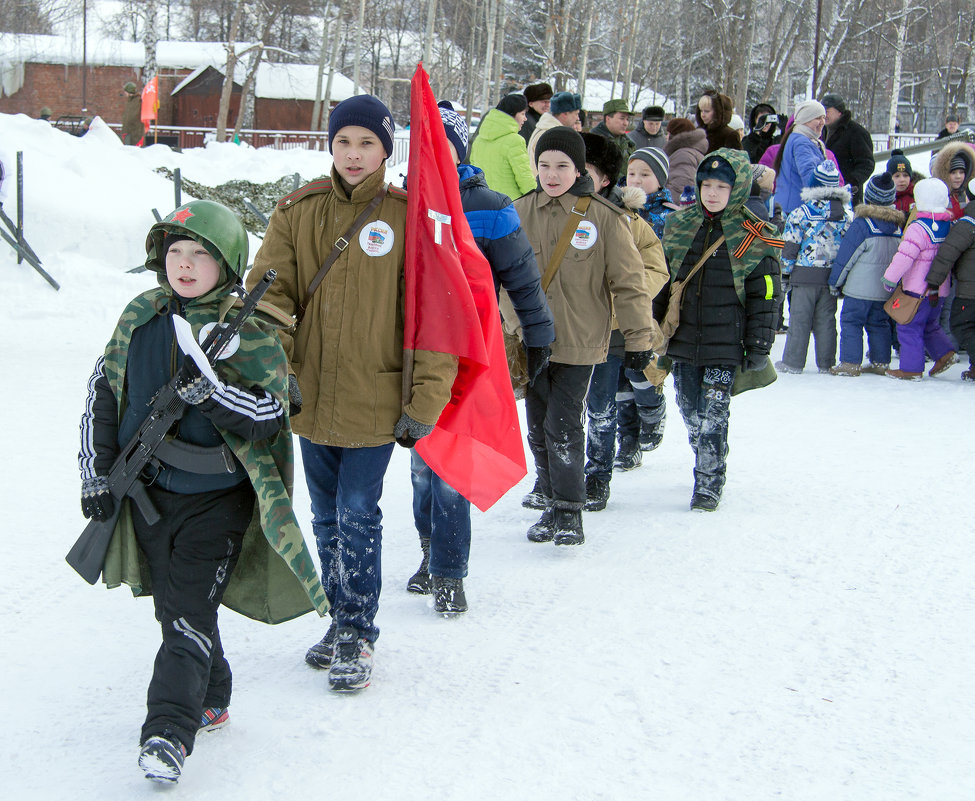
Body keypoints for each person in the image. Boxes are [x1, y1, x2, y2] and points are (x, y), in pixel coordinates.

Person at [78, 200, 326, 783]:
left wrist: (210, 395)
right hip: (150, 493)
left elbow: (272, 412)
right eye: (175, 253)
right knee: (174, 609)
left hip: (220, 499)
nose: (184, 265)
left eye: (200, 255)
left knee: (188, 612)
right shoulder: (140, 315)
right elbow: (101, 393)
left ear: (228, 263)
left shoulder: (251, 331)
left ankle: (167, 732)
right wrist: (96, 472)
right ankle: (213, 688)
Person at [247, 95, 458, 691]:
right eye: (344, 142)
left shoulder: (408, 216)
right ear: (331, 146)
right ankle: (339, 618)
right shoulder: (297, 211)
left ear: (387, 150)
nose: (354, 155)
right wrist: (275, 368)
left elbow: (434, 317)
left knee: (358, 512)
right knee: (324, 515)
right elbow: (269, 294)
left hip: (376, 396)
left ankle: (358, 633)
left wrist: (425, 402)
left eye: (367, 143)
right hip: (308, 393)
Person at [406, 105, 554, 613]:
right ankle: (428, 556)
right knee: (423, 467)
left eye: (442, 148)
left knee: (451, 471)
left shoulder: (490, 206)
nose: (432, 159)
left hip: (470, 359)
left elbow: (522, 280)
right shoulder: (402, 204)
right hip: (415, 361)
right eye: (424, 149)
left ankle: (449, 572)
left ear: (459, 150)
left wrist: (539, 336)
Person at [513, 127, 656, 544]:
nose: (552, 174)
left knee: (563, 424)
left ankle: (570, 512)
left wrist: (639, 340)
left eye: (562, 166)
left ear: (579, 170)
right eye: (544, 165)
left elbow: (629, 284)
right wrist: (513, 323)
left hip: (581, 340)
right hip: (530, 341)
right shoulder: (519, 212)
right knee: (538, 426)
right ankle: (552, 500)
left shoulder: (605, 218)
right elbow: (501, 279)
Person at [659, 149, 780, 511]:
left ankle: (709, 480)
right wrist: (650, 324)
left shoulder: (754, 235)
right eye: (706, 185)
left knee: (714, 412)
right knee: (688, 408)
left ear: (738, 188)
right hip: (682, 337)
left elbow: (768, 292)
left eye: (721, 186)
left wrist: (759, 342)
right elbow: (662, 279)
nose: (711, 193)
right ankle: (708, 449)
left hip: (727, 340)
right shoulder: (680, 226)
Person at [577, 133, 669, 510]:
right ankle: (555, 475)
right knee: (576, 404)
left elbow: (654, 264)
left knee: (604, 401)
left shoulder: (625, 218)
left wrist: (626, 294)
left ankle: (598, 475)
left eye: (584, 171)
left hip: (614, 326)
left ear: (604, 179)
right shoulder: (550, 213)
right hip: (571, 327)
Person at [776, 161, 853, 374]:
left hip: (804, 275)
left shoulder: (801, 213)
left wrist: (785, 272)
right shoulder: (846, 215)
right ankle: (826, 362)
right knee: (827, 321)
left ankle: (793, 362)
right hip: (831, 277)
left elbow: (790, 246)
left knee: (800, 319)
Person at [827, 173, 905, 376]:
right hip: (884, 289)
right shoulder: (897, 227)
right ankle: (881, 363)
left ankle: (850, 363)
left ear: (869, 197)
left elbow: (847, 257)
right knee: (879, 324)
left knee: (851, 322)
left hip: (858, 290)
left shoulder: (863, 224)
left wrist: (835, 282)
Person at [882, 178, 957, 379]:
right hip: (940, 288)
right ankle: (944, 353)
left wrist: (890, 278)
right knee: (930, 323)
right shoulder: (948, 225)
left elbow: (904, 257)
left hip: (917, 289)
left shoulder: (918, 228)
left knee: (908, 326)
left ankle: (910, 369)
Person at [926, 194, 975, 381]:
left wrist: (933, 282)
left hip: (969, 293)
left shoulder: (968, 224)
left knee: (961, 326)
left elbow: (947, 255)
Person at [468, 93, 536, 200]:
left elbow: (473, 176)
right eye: (522, 114)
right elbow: (525, 179)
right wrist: (537, 199)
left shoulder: (479, 141)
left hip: (483, 202)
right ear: (512, 114)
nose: (525, 119)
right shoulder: (515, 141)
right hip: (510, 206)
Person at [773, 100, 830, 215]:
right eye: (818, 118)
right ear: (805, 119)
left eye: (824, 117)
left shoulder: (798, 137)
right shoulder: (802, 143)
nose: (823, 122)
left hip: (790, 205)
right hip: (796, 209)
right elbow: (810, 178)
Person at [820, 93, 875, 205]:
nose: (824, 115)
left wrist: (850, 182)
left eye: (827, 111)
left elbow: (867, 163)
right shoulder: (821, 130)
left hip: (848, 196)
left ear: (839, 112)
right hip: (824, 193)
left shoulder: (856, 132)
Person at [526, 91, 583, 171]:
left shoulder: (549, 130)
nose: (578, 118)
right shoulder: (550, 135)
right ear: (565, 114)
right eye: (576, 114)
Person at [590, 99, 636, 181]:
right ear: (608, 119)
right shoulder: (594, 141)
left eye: (627, 119)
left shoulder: (629, 143)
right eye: (622, 118)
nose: (626, 123)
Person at [664, 117, 708, 200]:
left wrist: (665, 205)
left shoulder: (683, 156)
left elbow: (680, 188)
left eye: (668, 133)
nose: (666, 137)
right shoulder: (689, 152)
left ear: (675, 136)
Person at [931, 141, 974, 219]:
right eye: (953, 172)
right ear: (944, 173)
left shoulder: (969, 195)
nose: (958, 176)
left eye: (961, 172)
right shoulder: (937, 196)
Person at [886, 150, 915, 214]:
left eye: (905, 175)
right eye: (897, 176)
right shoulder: (884, 198)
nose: (902, 180)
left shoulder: (916, 196)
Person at [121, 81, 144, 146]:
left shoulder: (139, 101)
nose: (124, 93)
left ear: (129, 91)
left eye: (125, 91)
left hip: (136, 133)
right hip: (127, 132)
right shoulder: (129, 101)